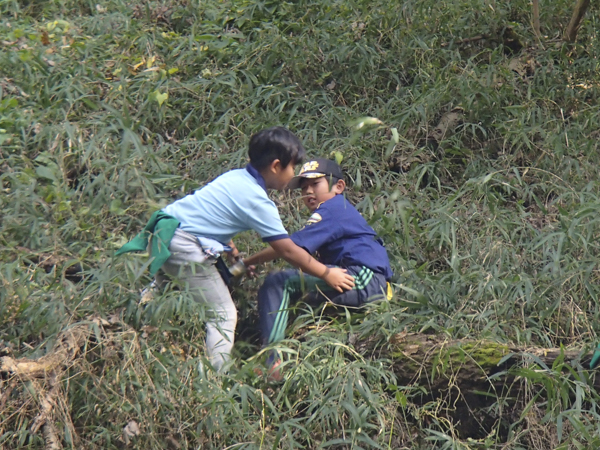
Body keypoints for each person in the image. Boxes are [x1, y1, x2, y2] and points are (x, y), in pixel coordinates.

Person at [115, 129, 355, 373]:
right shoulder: (258, 200)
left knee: (163, 288)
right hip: (184, 244)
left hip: (166, 233)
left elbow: (211, 212)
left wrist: (231, 250)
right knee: (223, 314)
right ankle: (212, 384)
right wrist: (326, 273)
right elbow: (288, 251)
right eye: (292, 167)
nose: (293, 175)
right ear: (276, 166)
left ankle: (123, 326)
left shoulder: (236, 177)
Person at [243, 158, 393, 377]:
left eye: (315, 184)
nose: (308, 192)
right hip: (367, 281)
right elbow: (291, 249)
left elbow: (288, 247)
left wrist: (246, 263)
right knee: (298, 293)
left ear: (338, 187)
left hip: (364, 278)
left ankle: (272, 361)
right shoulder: (337, 210)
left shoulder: (332, 208)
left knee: (278, 283)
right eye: (304, 188)